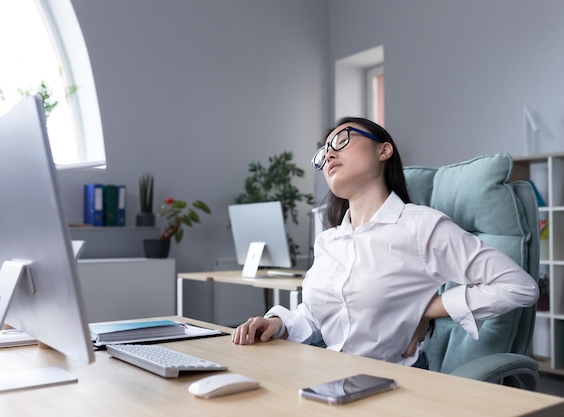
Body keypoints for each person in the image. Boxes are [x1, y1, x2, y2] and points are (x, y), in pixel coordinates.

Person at [231, 117, 539, 369]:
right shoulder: (330, 241)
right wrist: (277, 323)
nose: (329, 155)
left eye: (341, 140)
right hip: (326, 376)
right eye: (323, 152)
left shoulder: (420, 227)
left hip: (390, 386)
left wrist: (426, 309)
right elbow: (313, 316)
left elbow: (519, 286)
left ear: (384, 151)